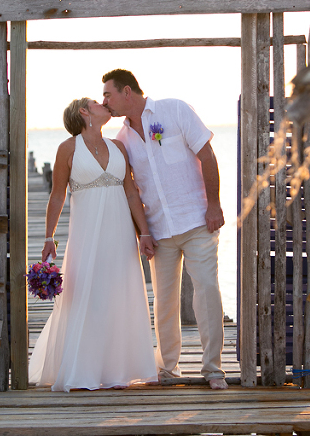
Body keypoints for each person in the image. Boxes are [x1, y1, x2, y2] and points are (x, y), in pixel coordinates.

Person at [101, 69, 228, 390]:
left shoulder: (175, 110)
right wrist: (142, 232)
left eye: (108, 95)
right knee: (164, 301)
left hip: (198, 221)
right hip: (159, 232)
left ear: (126, 91)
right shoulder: (123, 141)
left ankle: (213, 368)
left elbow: (207, 155)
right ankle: (168, 368)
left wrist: (214, 205)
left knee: (207, 291)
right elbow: (131, 192)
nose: (106, 101)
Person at [28, 97, 158, 392]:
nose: (104, 104)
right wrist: (49, 237)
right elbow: (58, 195)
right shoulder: (68, 148)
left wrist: (144, 234)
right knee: (88, 294)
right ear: (84, 112)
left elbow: (131, 194)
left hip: (120, 232)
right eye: (95, 103)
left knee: (118, 292)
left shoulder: (118, 147)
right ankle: (83, 368)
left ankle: (116, 371)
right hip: (87, 232)